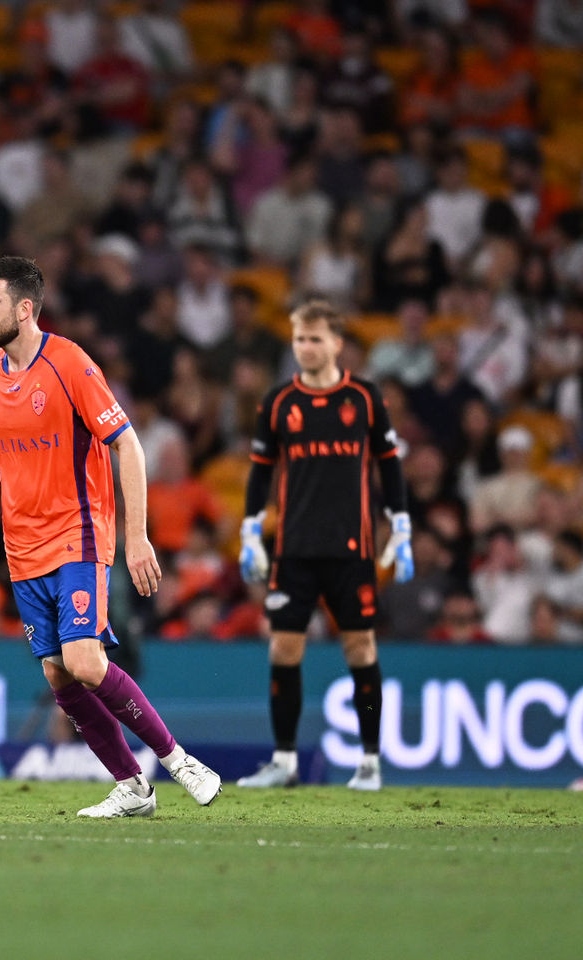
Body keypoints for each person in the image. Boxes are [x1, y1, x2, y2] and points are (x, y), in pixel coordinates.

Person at [0, 255, 221, 818]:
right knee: (58, 673)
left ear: (24, 309)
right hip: (22, 550)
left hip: (79, 533)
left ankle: (177, 761)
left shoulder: (70, 363)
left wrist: (137, 535)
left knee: (84, 661)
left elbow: (128, 444)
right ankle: (132, 787)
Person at [237, 299, 413, 791]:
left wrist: (400, 526)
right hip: (293, 550)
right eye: (299, 339)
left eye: (315, 339)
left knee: (360, 648)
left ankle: (371, 761)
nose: (306, 348)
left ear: (337, 343)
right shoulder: (278, 402)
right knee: (283, 649)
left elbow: (390, 463)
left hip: (351, 549)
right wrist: (252, 531)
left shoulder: (365, 397)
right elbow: (260, 472)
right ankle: (285, 761)